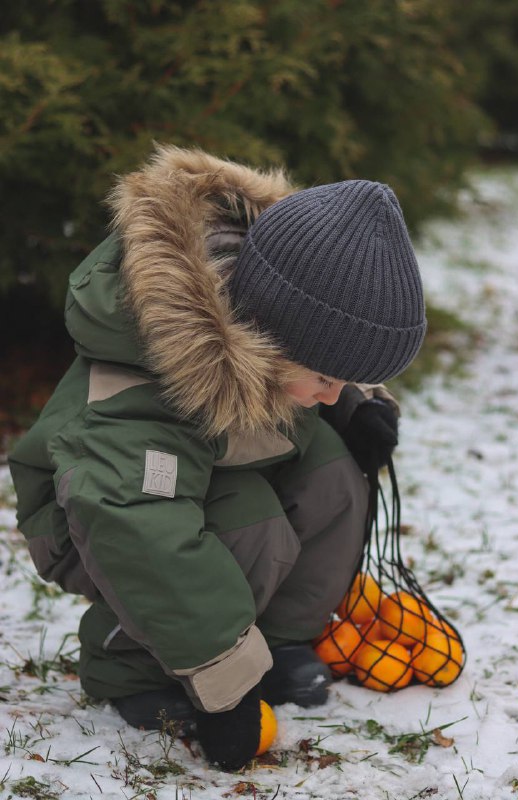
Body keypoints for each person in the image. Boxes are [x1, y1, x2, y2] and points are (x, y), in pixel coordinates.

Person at [8, 146, 426, 770]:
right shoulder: (146, 381)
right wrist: (227, 699)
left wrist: (352, 408)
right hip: (93, 514)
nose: (332, 392)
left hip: (210, 464)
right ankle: (130, 665)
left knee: (332, 474)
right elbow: (138, 531)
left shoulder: (273, 310)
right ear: (265, 337)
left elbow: (319, 350)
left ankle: (271, 644)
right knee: (249, 521)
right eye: (328, 380)